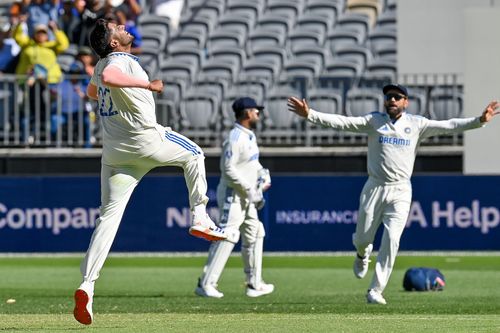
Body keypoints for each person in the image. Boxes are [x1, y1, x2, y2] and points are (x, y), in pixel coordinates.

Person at [73, 18, 226, 325]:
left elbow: (93, 92)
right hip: (146, 140)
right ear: (114, 42)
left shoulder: (102, 64)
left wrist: (113, 92)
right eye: (115, 27)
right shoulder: (119, 61)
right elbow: (114, 77)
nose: (122, 25)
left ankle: (87, 285)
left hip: (116, 152)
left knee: (108, 218)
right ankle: (200, 215)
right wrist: (147, 86)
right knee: (195, 154)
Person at [287, 84, 500, 305]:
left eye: (397, 97)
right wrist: (310, 115)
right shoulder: (374, 121)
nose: (392, 100)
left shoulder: (417, 124)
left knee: (392, 239)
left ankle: (375, 290)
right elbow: (343, 122)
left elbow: (449, 125)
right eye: (389, 96)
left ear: (406, 102)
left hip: (401, 189)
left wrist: (479, 121)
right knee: (363, 239)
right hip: (375, 187)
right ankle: (362, 254)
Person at [195, 97, 274, 299]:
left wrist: (263, 174)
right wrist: (249, 190)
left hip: (247, 196)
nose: (259, 115)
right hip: (233, 194)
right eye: (257, 111)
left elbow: (252, 164)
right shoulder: (235, 138)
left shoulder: (249, 136)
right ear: (248, 113)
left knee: (255, 232)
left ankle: (254, 284)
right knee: (228, 235)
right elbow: (227, 169)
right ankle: (206, 283)